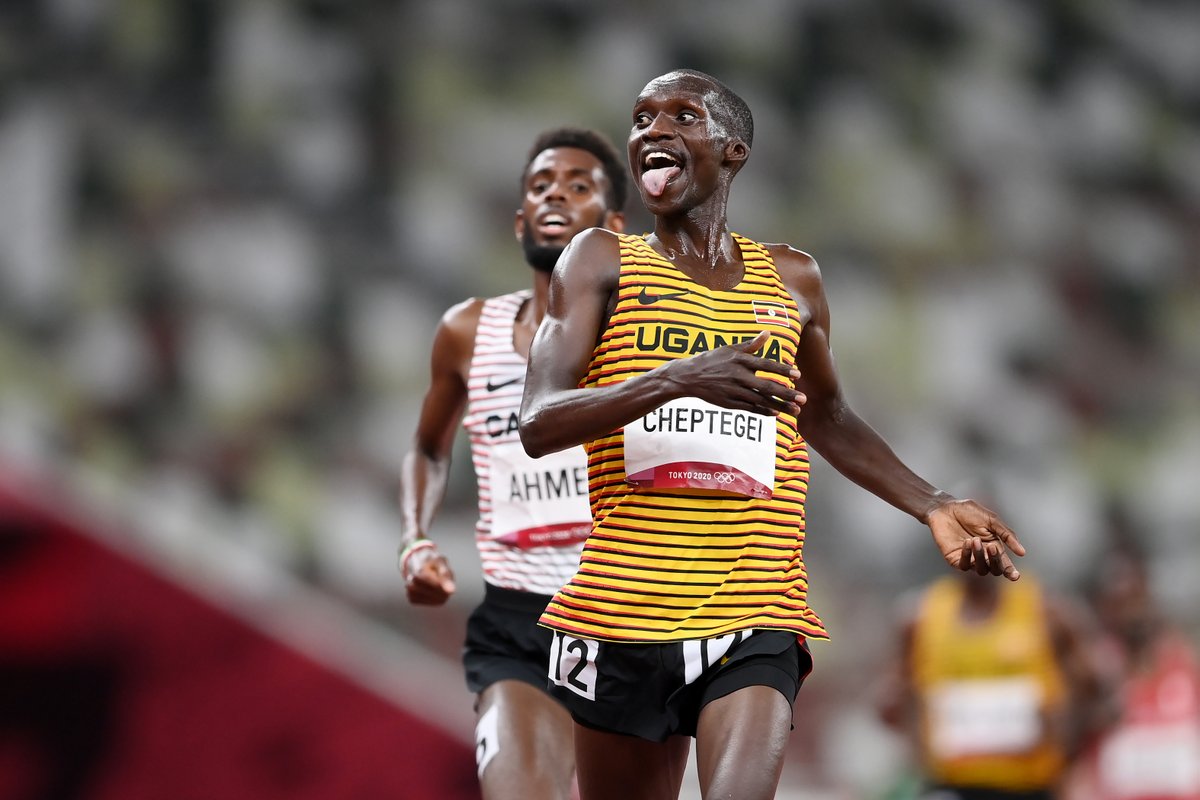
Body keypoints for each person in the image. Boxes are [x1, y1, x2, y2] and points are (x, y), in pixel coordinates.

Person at [517, 69, 1027, 800]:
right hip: (620, 608)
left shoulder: (793, 279)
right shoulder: (601, 259)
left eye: (682, 117)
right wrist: (677, 378)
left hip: (755, 605)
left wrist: (932, 501)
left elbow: (826, 413)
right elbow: (538, 421)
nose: (653, 130)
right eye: (640, 119)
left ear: (733, 151)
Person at [398, 127, 627, 800]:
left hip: (630, 616)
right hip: (519, 621)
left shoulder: (647, 340)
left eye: (578, 185)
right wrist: (415, 536)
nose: (555, 191)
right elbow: (427, 446)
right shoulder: (468, 332)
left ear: (613, 227)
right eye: (540, 186)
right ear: (520, 219)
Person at [876, 569, 1109, 800]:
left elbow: (1096, 689)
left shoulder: (1045, 610)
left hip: (1030, 785)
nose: (977, 551)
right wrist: (902, 718)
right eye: (964, 537)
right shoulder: (921, 617)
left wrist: (1069, 737)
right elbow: (889, 703)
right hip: (950, 784)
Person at [1063, 545, 1200, 800]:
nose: (1132, 612)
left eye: (1136, 598)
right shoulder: (1095, 668)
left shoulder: (1185, 660)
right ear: (1105, 609)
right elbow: (1066, 742)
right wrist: (1094, 716)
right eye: (1120, 603)